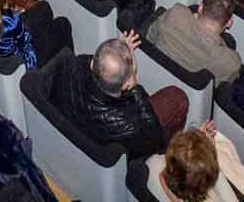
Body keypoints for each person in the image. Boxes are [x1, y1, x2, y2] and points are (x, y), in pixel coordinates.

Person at [52, 34, 188, 158]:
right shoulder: (128, 123)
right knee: (178, 98)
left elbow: (98, 65)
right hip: (123, 146)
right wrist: (135, 88)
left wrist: (118, 54)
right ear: (125, 85)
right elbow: (155, 140)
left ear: (93, 63)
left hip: (79, 131)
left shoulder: (73, 64)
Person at [146, 0, 244, 84]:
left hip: (155, 72)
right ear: (229, 23)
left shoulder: (176, 12)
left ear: (200, 7)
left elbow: (151, 34)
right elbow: (217, 86)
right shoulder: (231, 63)